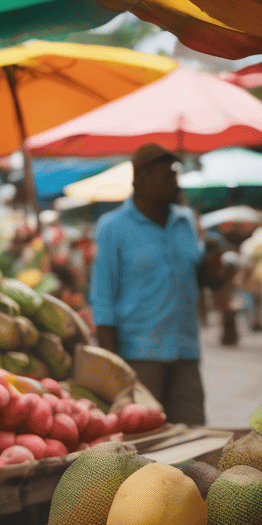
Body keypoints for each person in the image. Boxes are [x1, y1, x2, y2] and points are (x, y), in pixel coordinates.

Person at [90, 144, 208, 425]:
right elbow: (102, 300)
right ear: (142, 180)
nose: (175, 183)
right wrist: (113, 370)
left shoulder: (186, 221)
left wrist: (215, 268)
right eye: (168, 176)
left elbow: (199, 276)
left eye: (176, 175)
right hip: (139, 358)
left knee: (193, 434)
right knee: (146, 443)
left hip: (185, 352)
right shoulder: (112, 227)